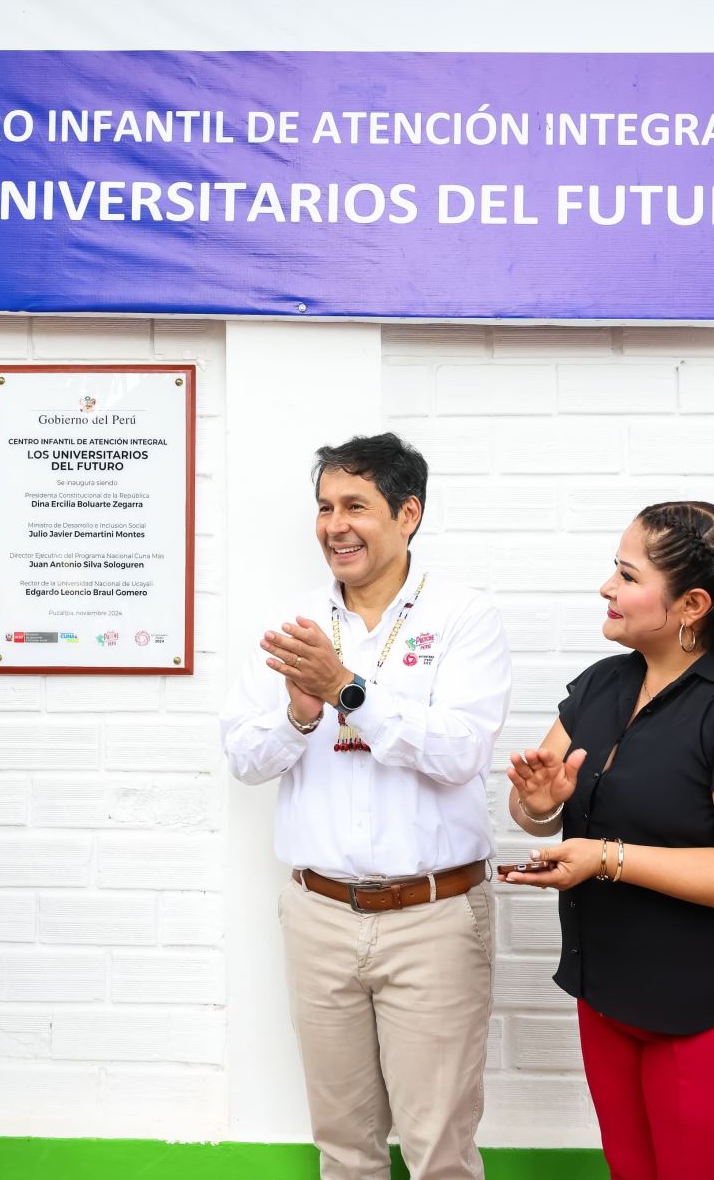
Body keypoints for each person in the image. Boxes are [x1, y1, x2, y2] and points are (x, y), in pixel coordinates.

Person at [502, 500, 714, 1180]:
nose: (607, 588)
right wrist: (537, 808)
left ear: (690, 604)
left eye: (627, 576)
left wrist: (607, 858)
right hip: (616, 992)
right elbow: (540, 806)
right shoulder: (602, 686)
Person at [219, 432, 512, 1180]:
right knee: (344, 1150)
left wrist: (347, 687)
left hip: (433, 917)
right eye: (324, 507)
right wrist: (300, 715)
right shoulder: (294, 625)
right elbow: (245, 759)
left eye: (356, 506)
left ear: (408, 513)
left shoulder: (463, 617)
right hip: (319, 915)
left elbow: (459, 752)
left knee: (438, 1151)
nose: (334, 526)